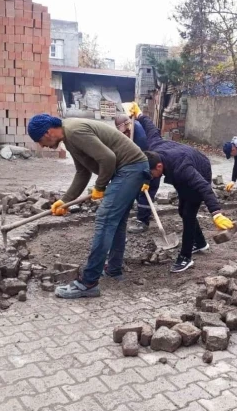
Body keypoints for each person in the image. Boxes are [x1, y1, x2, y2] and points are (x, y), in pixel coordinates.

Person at [27, 113, 150, 298]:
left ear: (48, 132)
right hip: (130, 169)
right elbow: (82, 172)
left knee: (105, 219)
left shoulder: (74, 131)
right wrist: (65, 200)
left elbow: (108, 159)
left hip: (130, 168)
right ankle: (113, 269)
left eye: (40, 140)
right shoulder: (70, 137)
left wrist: (100, 187)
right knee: (115, 222)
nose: (42, 145)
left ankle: (88, 283)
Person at [129, 102, 236, 273]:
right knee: (182, 210)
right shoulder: (154, 147)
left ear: (158, 167)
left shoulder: (182, 169)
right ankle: (200, 243)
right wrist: (140, 114)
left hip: (200, 169)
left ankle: (185, 258)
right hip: (183, 167)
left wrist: (216, 213)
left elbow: (203, 187)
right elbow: (151, 129)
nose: (151, 177)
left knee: (188, 214)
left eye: (150, 174)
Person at [114, 114, 160, 234]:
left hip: (152, 166)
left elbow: (143, 155)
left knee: (145, 193)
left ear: (127, 125)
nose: (125, 135)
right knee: (139, 192)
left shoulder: (139, 133)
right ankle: (144, 214)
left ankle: (142, 222)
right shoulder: (131, 129)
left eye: (125, 132)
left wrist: (145, 178)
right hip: (146, 163)